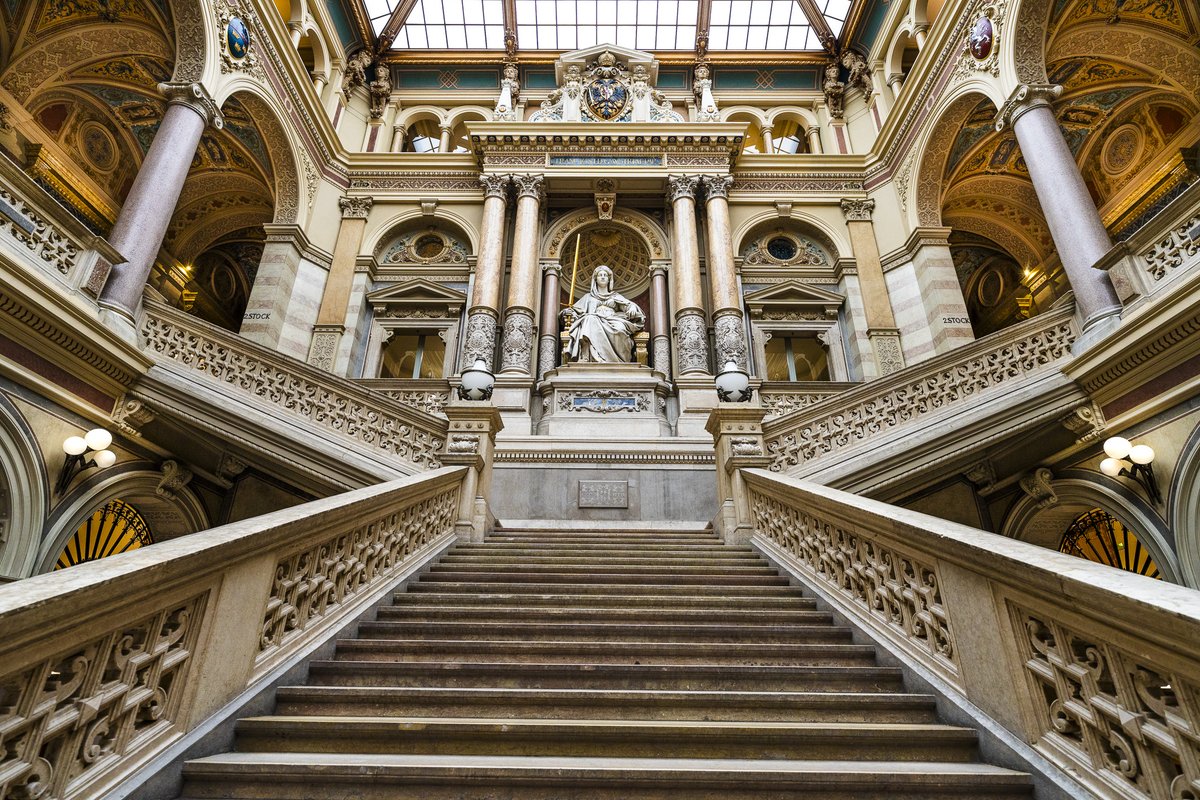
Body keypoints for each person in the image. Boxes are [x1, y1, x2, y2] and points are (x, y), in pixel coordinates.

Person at [562, 265, 645, 363]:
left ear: (609, 279)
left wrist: (632, 308)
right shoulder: (588, 297)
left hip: (613, 320)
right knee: (589, 318)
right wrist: (568, 312)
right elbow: (575, 311)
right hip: (593, 321)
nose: (602, 277)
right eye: (600, 275)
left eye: (605, 275)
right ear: (595, 279)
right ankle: (588, 356)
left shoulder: (615, 296)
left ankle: (618, 360)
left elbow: (628, 305)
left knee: (620, 329)